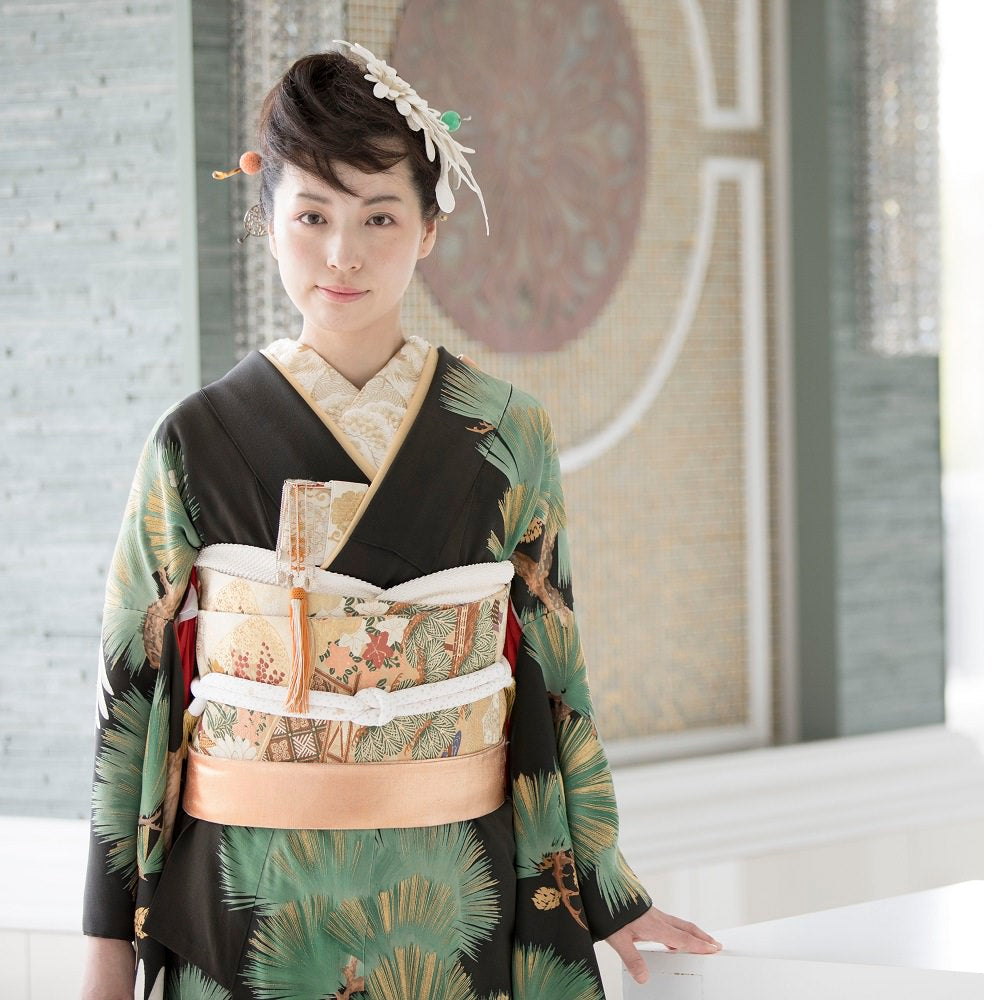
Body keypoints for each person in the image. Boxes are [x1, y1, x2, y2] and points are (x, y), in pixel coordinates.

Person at [80, 40, 721, 1000]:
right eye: (313, 215)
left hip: (452, 902)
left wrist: (607, 890)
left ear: (429, 227)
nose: (343, 253)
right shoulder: (195, 439)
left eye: (379, 215)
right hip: (245, 904)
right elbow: (128, 690)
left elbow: (555, 678)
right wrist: (105, 955)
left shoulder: (507, 433)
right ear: (267, 222)